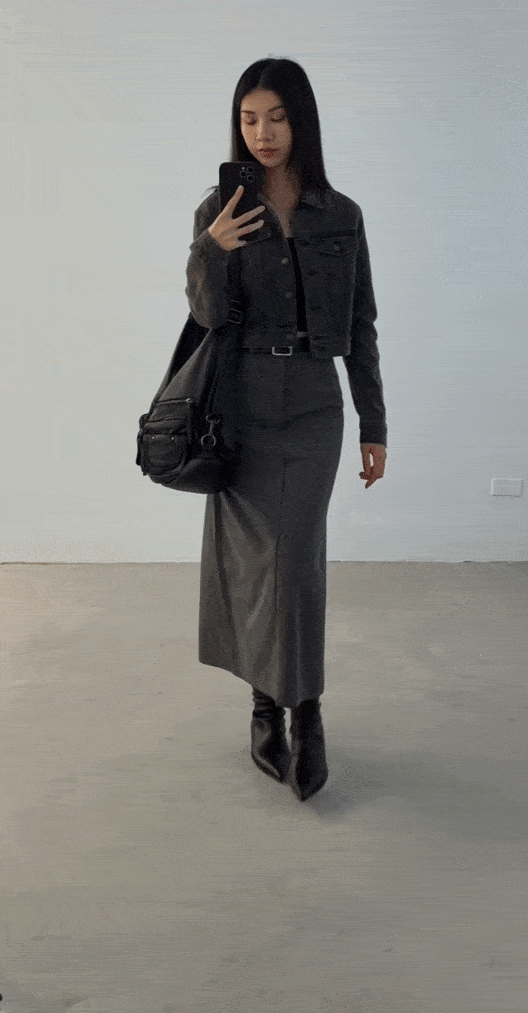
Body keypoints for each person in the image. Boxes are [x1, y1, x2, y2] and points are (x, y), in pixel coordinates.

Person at [185, 58, 387, 801]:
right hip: (240, 403)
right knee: (251, 565)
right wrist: (211, 249)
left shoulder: (342, 213)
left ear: (301, 120)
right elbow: (207, 316)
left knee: (295, 561)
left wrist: (374, 421)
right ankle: (264, 705)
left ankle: (309, 711)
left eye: (276, 117)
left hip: (312, 403)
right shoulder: (220, 209)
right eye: (248, 118)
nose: (262, 132)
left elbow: (360, 322)